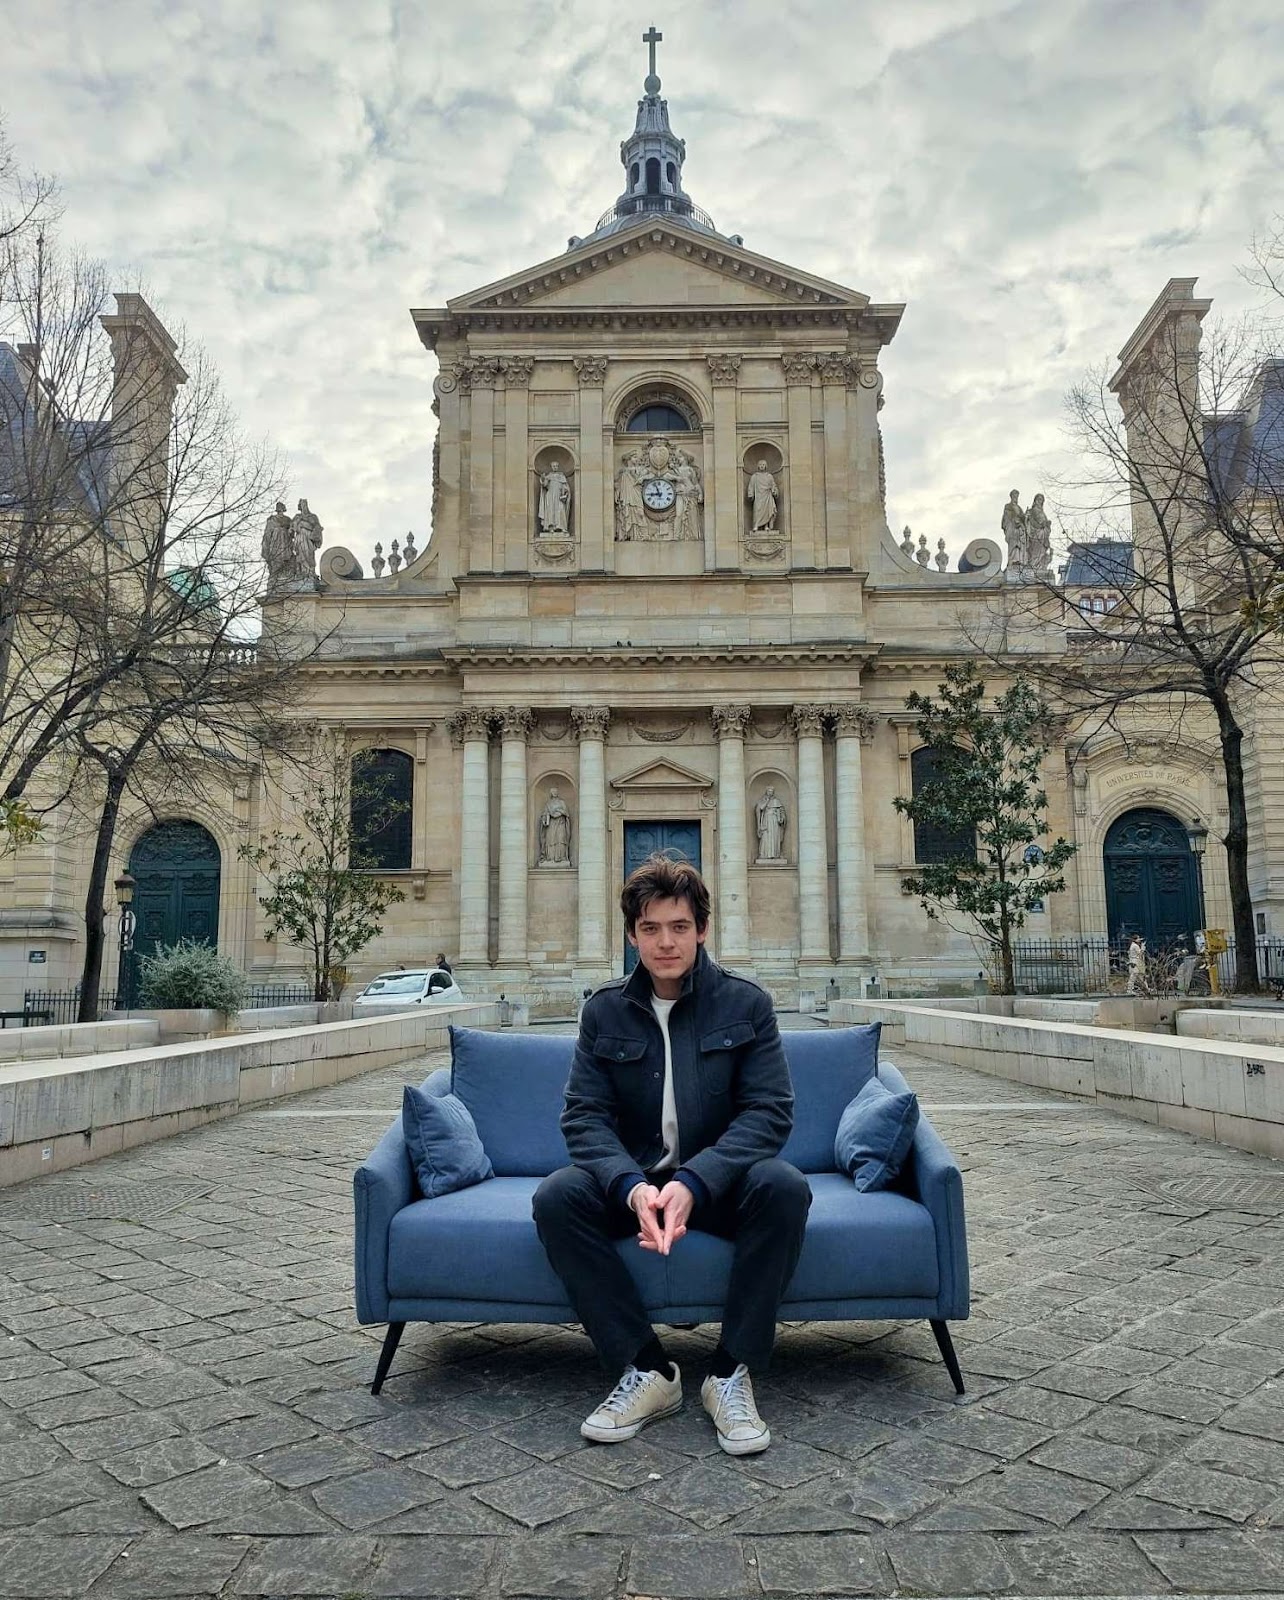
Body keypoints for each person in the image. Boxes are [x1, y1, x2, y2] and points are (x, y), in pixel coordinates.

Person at [533, 854, 809, 1456]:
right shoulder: (602, 1010)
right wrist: (632, 1187)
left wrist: (696, 1181)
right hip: (635, 1191)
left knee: (784, 1187)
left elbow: (769, 1113)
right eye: (651, 929)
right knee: (556, 1197)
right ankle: (648, 1369)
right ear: (632, 934)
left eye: (679, 927)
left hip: (716, 1189)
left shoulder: (747, 1005)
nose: (666, 943)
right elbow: (582, 1117)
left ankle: (730, 1372)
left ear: (702, 930)